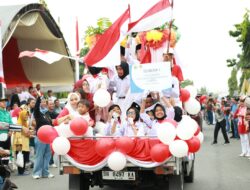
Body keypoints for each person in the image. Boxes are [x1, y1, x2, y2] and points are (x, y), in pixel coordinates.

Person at [32, 92, 54, 179]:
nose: (43, 103)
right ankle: (36, 173)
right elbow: (36, 107)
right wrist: (38, 99)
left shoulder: (47, 113)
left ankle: (45, 172)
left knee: (47, 155)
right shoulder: (37, 113)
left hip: (48, 138)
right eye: (42, 102)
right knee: (39, 155)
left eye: (45, 102)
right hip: (40, 137)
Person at [13, 109, 31, 175]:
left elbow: (27, 133)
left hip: (25, 144)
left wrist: (29, 134)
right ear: (22, 115)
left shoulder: (25, 124)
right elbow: (17, 136)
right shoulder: (18, 124)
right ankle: (20, 172)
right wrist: (18, 147)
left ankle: (22, 171)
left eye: (27, 115)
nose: (26, 117)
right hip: (20, 144)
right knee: (20, 157)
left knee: (25, 157)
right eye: (25, 115)